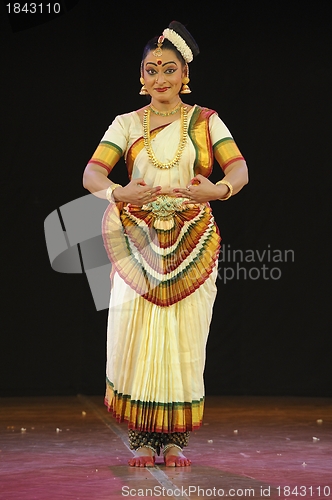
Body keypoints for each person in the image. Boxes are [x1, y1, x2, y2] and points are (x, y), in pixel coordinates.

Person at [83, 21, 248, 468]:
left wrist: (218, 191)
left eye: (168, 69)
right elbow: (92, 174)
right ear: (141, 77)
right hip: (136, 240)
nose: (160, 78)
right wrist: (118, 193)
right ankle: (141, 438)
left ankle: (175, 440)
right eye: (151, 69)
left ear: (184, 75)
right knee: (133, 333)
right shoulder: (125, 123)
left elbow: (239, 170)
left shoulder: (206, 121)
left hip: (192, 237)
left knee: (184, 335)